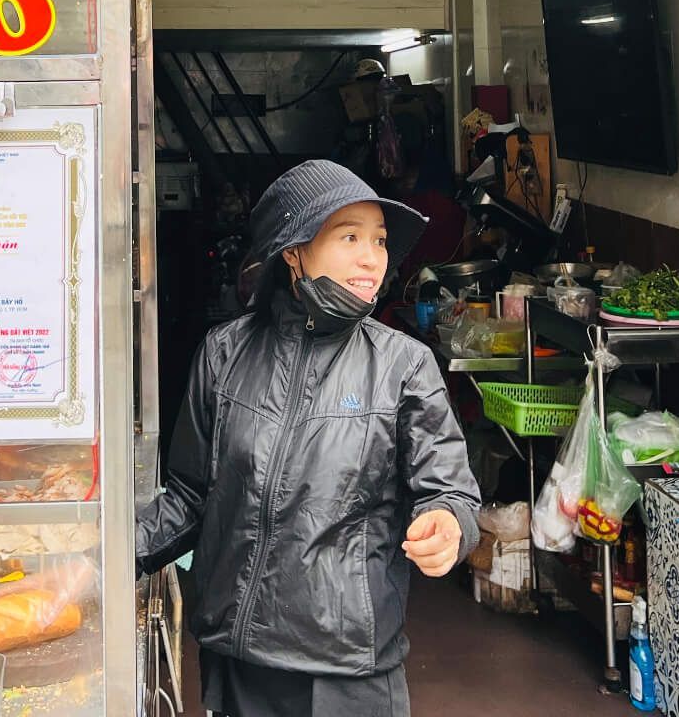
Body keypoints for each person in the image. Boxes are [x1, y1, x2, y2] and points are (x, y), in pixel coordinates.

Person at [138, 160, 481, 717]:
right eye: (349, 237)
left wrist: (448, 525)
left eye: (380, 241)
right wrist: (102, 556)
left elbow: (450, 492)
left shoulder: (402, 366)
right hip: (239, 657)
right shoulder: (225, 354)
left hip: (346, 669)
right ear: (294, 251)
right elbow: (191, 496)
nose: (372, 258)